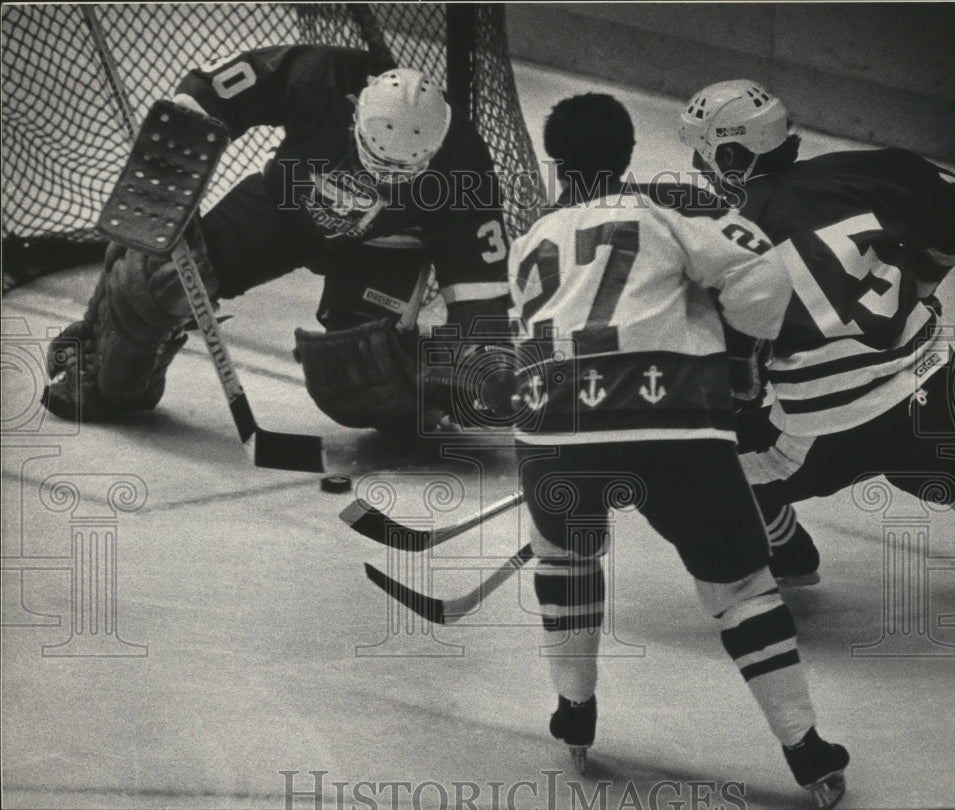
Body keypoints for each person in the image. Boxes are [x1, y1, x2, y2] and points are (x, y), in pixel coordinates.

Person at [507, 93, 849, 807]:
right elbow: (764, 280)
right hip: (672, 425)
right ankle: (806, 748)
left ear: (556, 163)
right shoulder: (668, 211)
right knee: (740, 589)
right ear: (628, 156)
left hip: (550, 430)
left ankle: (575, 708)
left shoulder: (529, 239)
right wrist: (735, 353)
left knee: (565, 560)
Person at [42, 45, 512, 433]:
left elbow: (478, 285)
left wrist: (484, 363)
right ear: (356, 116)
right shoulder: (320, 76)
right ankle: (101, 346)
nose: (384, 177)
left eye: (401, 171)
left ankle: (422, 380)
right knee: (159, 275)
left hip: (387, 246)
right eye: (375, 159)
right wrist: (171, 177)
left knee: (362, 382)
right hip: (284, 204)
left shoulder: (464, 162)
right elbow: (209, 94)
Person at [678, 80, 955, 583]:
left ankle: (790, 557)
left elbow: (728, 379)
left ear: (733, 156)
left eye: (705, 158)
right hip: (937, 382)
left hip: (831, 437)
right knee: (938, 464)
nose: (701, 171)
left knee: (702, 471)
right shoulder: (866, 170)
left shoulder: (721, 242)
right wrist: (925, 279)